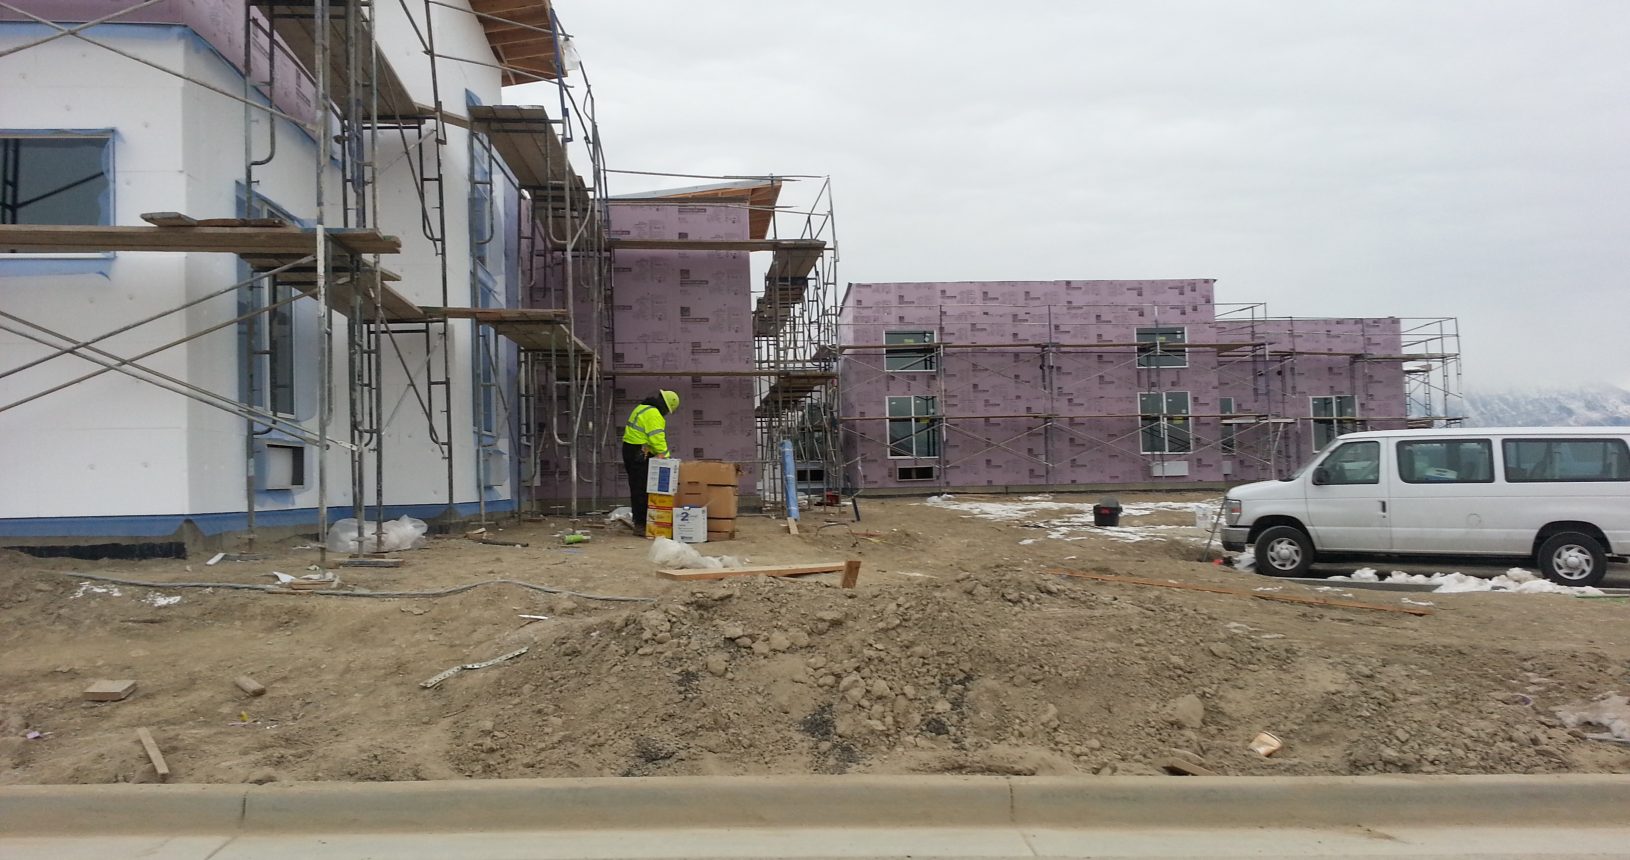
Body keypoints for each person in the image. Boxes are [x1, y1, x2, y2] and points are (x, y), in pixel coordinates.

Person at [622, 389, 680, 533]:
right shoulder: (654, 414)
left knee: (637, 487)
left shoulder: (643, 407)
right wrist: (666, 457)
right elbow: (656, 437)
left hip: (632, 450)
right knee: (641, 488)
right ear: (666, 407)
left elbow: (647, 437)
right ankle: (641, 524)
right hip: (638, 453)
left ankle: (641, 521)